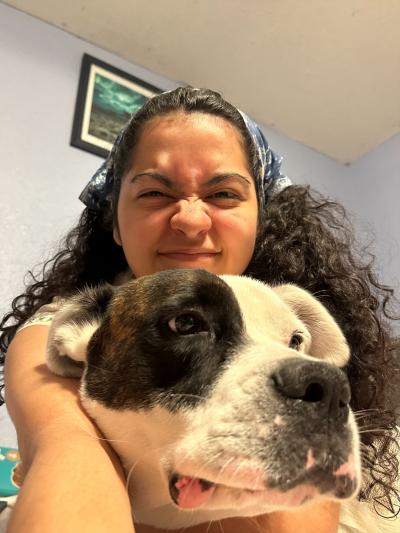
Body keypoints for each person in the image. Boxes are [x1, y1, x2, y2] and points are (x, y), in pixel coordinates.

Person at [0, 87, 398, 533]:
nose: (190, 220)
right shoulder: (74, 323)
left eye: (224, 194)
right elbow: (70, 449)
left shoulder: (283, 304)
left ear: (259, 220)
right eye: (154, 192)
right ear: (114, 220)